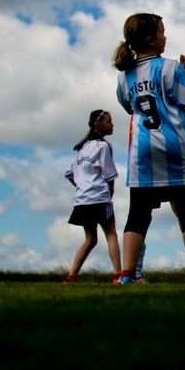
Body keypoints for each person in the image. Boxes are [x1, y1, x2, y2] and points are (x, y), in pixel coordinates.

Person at [113, 13, 185, 285]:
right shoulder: (170, 68)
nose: (165, 36)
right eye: (162, 32)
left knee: (138, 215)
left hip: (141, 152)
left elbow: (128, 106)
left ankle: (126, 276)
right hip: (174, 148)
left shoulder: (124, 76)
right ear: (150, 38)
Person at [64, 109, 121, 282]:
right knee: (111, 235)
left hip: (82, 201)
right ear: (98, 124)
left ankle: (71, 276)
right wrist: (109, 194)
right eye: (109, 121)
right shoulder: (103, 146)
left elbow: (69, 173)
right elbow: (110, 175)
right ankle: (119, 276)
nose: (112, 125)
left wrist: (82, 187)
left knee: (90, 239)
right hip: (100, 199)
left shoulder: (81, 149)